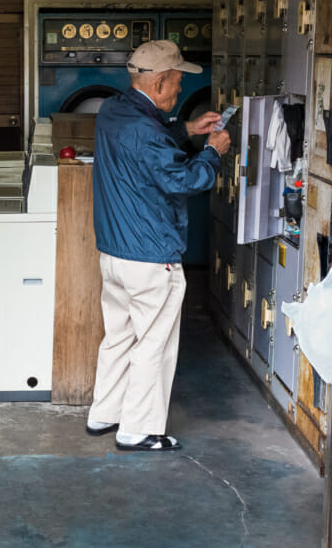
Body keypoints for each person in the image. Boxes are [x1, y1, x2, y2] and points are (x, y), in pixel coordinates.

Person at [84, 39, 232, 451]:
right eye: (178, 82)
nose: (181, 91)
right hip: (149, 255)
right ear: (163, 81)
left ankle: (105, 413)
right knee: (155, 342)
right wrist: (212, 152)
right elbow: (184, 181)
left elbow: (148, 137)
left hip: (114, 252)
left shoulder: (113, 110)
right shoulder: (146, 131)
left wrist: (187, 129)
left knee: (119, 336)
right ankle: (139, 429)